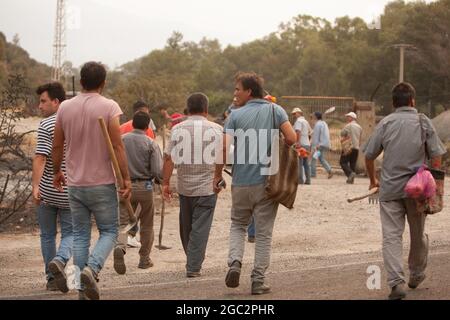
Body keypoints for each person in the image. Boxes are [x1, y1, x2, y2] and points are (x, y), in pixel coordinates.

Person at [53, 61, 132, 300]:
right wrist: (126, 178)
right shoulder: (109, 106)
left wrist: (57, 170)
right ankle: (92, 269)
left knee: (80, 236)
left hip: (75, 184)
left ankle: (81, 289)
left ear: (82, 80)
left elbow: (57, 144)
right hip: (101, 183)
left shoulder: (65, 107)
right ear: (103, 83)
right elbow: (117, 145)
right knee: (109, 231)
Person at [214, 72, 296, 295]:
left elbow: (223, 149)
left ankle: (234, 263)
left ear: (249, 91)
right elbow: (291, 139)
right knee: (263, 233)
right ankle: (258, 280)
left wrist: (217, 176)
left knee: (238, 225)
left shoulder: (234, 115)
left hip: (240, 182)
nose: (234, 94)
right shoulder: (275, 110)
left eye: (237, 89)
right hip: (267, 184)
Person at [363, 82, 446, 300]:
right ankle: (417, 274)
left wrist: (373, 180)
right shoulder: (423, 121)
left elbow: (369, 155)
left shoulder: (386, 123)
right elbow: (437, 155)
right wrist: (433, 183)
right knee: (418, 234)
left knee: (391, 236)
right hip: (417, 191)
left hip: (389, 190)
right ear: (412, 101)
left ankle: (396, 283)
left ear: (393, 103)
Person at [163, 93, 222, 278]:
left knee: (186, 226)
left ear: (188, 109)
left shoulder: (177, 129)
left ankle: (193, 261)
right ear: (206, 109)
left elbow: (168, 158)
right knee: (200, 227)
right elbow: (224, 156)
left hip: (185, 187)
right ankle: (193, 264)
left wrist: (165, 183)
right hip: (207, 187)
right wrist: (218, 176)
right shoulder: (218, 129)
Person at [32, 82, 73, 293]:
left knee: (47, 235)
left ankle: (51, 279)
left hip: (48, 190)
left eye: (43, 101)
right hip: (71, 190)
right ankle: (60, 259)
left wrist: (35, 185)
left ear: (56, 102)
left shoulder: (47, 124)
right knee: (71, 234)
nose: (40, 106)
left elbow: (40, 157)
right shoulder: (76, 121)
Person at [114, 111, 163, 274]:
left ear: (133, 123)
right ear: (147, 126)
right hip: (145, 188)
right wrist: (160, 180)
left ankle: (120, 247)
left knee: (124, 222)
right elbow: (157, 170)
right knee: (147, 225)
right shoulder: (151, 143)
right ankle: (144, 259)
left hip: (124, 188)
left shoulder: (121, 140)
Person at [339, 112, 362, 184]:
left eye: (348, 117)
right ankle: (351, 179)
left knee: (343, 162)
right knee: (353, 163)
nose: (347, 118)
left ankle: (350, 173)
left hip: (348, 147)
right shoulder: (359, 127)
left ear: (352, 118)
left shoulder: (348, 126)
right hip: (356, 147)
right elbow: (360, 138)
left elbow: (342, 133)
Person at [292, 107, 312, 185]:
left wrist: (297, 142)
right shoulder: (306, 121)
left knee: (299, 162)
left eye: (294, 113)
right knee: (306, 163)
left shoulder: (299, 121)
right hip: (307, 144)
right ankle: (308, 180)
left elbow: (298, 132)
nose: (294, 115)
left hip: (301, 144)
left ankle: (300, 180)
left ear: (299, 113)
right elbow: (311, 132)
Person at [310, 111, 333, 179]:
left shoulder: (317, 124)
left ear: (316, 116)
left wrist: (315, 146)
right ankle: (329, 170)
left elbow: (316, 136)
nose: (312, 116)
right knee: (321, 158)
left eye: (313, 115)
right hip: (325, 144)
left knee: (314, 158)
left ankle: (313, 174)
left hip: (319, 145)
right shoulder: (324, 123)